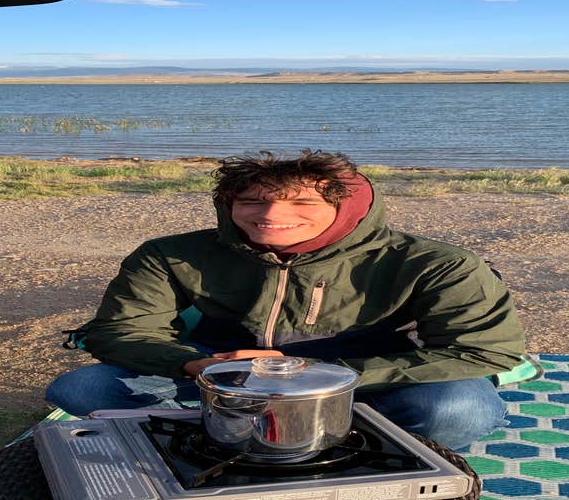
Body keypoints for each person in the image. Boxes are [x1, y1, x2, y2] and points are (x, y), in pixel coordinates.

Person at [47, 150, 526, 449]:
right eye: (252, 201)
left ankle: (351, 437)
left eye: (303, 203)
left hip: (369, 376)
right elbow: (120, 331)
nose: (272, 215)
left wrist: (318, 377)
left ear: (347, 212)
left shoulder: (435, 264)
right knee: (81, 390)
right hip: (226, 373)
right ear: (228, 206)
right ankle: (240, 432)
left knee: (460, 410)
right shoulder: (171, 254)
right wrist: (200, 368)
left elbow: (483, 351)